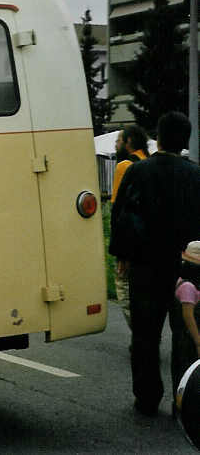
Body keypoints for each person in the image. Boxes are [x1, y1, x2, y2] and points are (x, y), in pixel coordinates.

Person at [110, 111, 200, 416]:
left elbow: (122, 216)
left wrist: (122, 255)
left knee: (145, 335)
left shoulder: (138, 171)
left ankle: (147, 397)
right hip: (186, 267)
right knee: (185, 335)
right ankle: (184, 398)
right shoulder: (196, 175)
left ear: (157, 138)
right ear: (185, 141)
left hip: (146, 265)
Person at [111, 125, 150, 329]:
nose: (116, 145)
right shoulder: (150, 162)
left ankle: (139, 334)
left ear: (128, 142)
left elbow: (118, 211)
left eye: (119, 140)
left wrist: (120, 252)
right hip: (152, 241)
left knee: (124, 289)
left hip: (129, 242)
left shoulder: (124, 166)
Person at [170, 241, 200, 411]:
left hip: (185, 336)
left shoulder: (186, 282)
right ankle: (183, 407)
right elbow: (188, 317)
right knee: (186, 371)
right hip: (187, 338)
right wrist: (198, 341)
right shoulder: (188, 286)